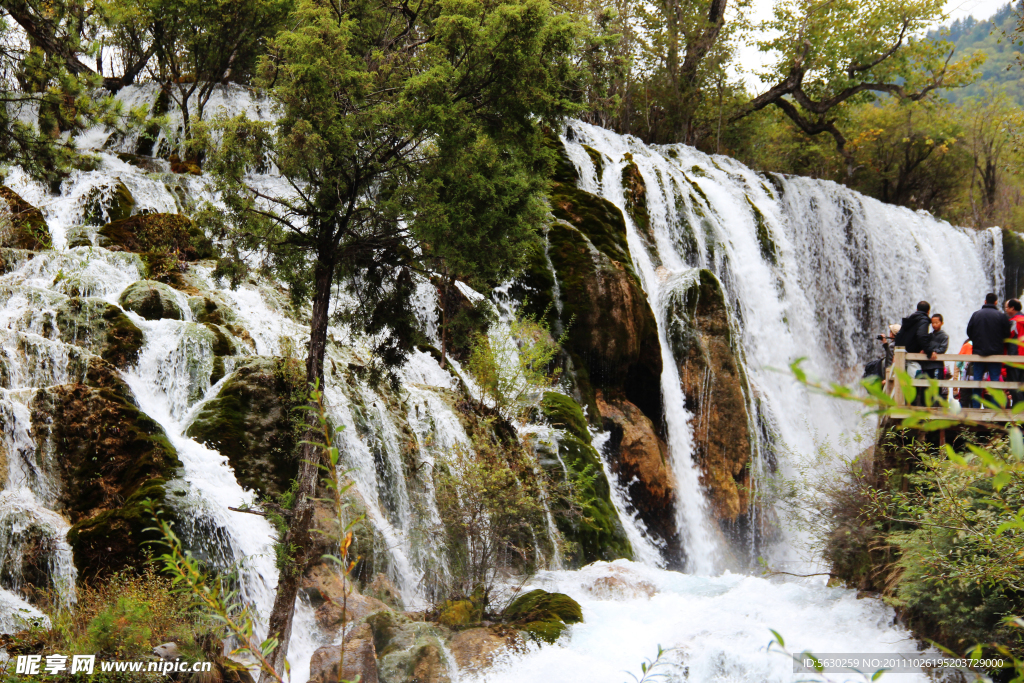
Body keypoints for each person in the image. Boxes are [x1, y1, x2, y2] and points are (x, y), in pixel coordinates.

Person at [966, 293, 1012, 408]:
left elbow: (969, 332)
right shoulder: (1001, 316)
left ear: (985, 301)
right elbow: (1007, 334)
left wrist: (976, 342)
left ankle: (976, 408)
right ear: (996, 302)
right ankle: (995, 409)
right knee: (995, 382)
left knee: (977, 382)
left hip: (978, 353)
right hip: (995, 353)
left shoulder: (976, 315)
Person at [893, 301, 936, 379]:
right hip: (912, 356)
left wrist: (896, 351)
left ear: (916, 309)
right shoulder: (923, 320)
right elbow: (921, 335)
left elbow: (899, 335)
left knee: (902, 379)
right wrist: (929, 351)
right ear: (928, 311)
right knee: (916, 380)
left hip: (903, 353)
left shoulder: (910, 319)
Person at [921, 314, 949, 400]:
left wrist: (934, 351)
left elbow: (943, 348)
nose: (934, 325)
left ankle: (936, 406)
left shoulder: (944, 336)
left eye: (936, 322)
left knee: (936, 386)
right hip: (927, 365)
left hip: (937, 365)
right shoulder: (929, 336)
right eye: (932, 323)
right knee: (925, 386)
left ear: (942, 323)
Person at [1005, 299, 1024, 404]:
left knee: (1015, 388)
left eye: (1007, 307)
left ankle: (1019, 416)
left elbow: (1009, 339)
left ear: (1012, 308)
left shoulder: (1013, 322)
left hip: (1015, 359)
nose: (1006, 310)